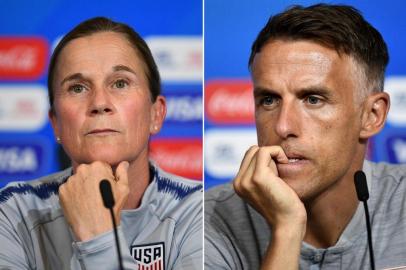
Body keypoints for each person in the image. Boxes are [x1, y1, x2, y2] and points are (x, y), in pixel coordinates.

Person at [205, 4, 406, 269]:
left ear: (371, 115)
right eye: (269, 100)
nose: (283, 126)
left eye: (313, 99)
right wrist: (286, 231)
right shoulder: (208, 219)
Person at [0, 17, 202, 269]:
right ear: (56, 123)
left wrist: (98, 239)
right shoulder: (13, 212)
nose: (99, 103)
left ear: (155, 114)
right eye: (77, 88)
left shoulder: (200, 212)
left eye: (120, 83)